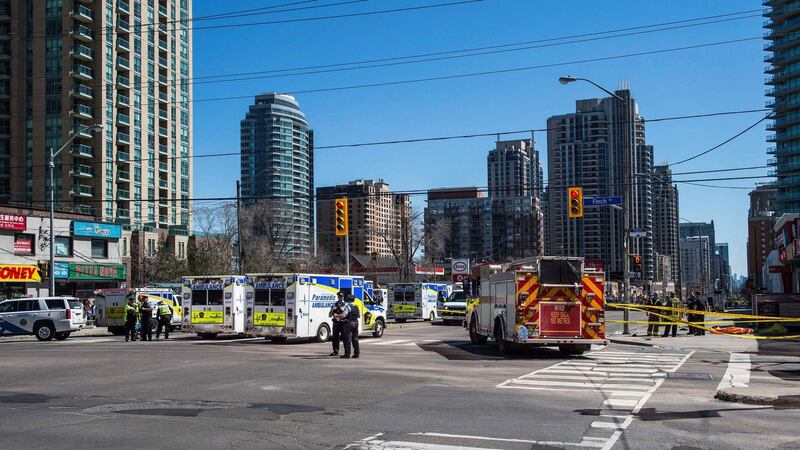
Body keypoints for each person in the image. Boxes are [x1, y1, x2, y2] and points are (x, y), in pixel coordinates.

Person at [339, 295, 360, 359]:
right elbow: (358, 316)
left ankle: (347, 354)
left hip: (349, 323)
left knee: (347, 339)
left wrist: (338, 315)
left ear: (348, 300)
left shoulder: (347, 306)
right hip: (355, 323)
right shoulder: (357, 307)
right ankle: (356, 353)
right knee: (355, 339)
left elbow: (344, 315)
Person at [328, 292, 346, 356]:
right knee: (335, 337)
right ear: (338, 297)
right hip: (336, 322)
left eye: (341, 297)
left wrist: (341, 310)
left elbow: (347, 314)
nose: (340, 298)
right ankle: (335, 351)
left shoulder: (345, 304)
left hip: (343, 322)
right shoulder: (334, 304)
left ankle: (346, 351)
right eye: (339, 296)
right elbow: (330, 315)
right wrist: (332, 310)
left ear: (343, 297)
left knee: (344, 337)